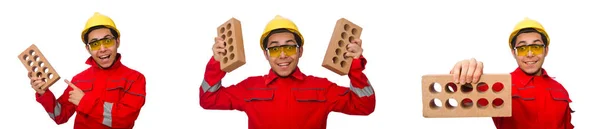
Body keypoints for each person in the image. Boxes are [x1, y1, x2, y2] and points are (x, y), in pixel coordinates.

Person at [199, 15, 376, 129]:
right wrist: (217, 62)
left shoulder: (322, 87)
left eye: (290, 47)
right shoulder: (250, 87)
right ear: (266, 55)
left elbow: (364, 106)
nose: (283, 55)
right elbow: (208, 99)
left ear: (300, 51)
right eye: (275, 49)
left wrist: (355, 66)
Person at [449, 17, 574, 129]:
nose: (530, 54)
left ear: (546, 50)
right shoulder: (500, 86)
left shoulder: (560, 90)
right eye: (522, 48)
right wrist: (461, 73)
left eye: (536, 47)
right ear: (514, 53)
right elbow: (463, 95)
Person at [29, 12, 147, 129]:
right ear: (88, 48)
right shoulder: (79, 80)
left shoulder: (135, 78)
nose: (102, 49)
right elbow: (60, 116)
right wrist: (44, 93)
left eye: (107, 41)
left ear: (117, 42)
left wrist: (84, 102)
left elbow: (125, 121)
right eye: (95, 44)